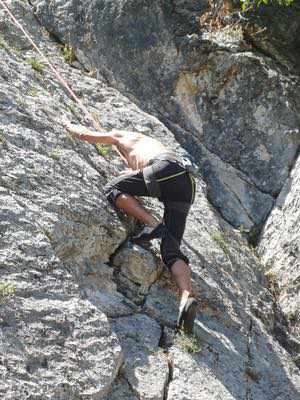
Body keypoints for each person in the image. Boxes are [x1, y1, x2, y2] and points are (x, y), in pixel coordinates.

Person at [64, 119, 198, 334]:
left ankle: (154, 225)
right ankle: (185, 298)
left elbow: (87, 135)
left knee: (113, 189)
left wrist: (70, 126)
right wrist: (132, 171)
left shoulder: (127, 136)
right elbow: (141, 177)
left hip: (167, 170)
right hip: (187, 184)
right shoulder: (151, 148)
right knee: (171, 251)